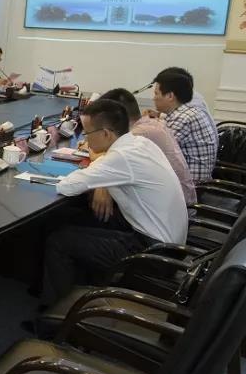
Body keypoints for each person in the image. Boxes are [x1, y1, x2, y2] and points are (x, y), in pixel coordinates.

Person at [42, 99, 187, 303]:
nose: (85, 138)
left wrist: (98, 166)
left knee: (60, 241)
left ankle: (56, 313)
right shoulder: (141, 143)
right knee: (78, 219)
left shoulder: (121, 157)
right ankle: (79, 288)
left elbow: (67, 186)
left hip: (153, 255)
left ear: (106, 134)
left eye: (87, 133)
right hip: (173, 247)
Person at [99, 88, 196, 204]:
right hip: (178, 200)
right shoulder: (151, 123)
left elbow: (108, 162)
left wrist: (102, 185)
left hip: (175, 207)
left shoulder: (139, 134)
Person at [149, 69, 218, 183]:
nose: (154, 98)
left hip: (192, 186)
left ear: (170, 96)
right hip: (197, 180)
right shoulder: (187, 111)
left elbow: (156, 151)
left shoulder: (182, 118)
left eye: (156, 93)